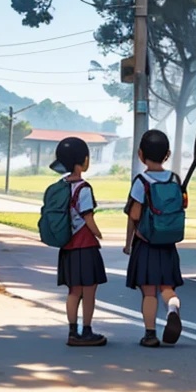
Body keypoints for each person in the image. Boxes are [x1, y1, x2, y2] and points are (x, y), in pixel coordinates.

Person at [124, 129, 184, 347]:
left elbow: (135, 215)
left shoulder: (142, 181)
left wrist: (129, 242)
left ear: (141, 154)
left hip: (147, 242)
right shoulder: (175, 180)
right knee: (167, 288)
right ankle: (173, 308)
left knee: (149, 292)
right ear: (167, 155)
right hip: (168, 244)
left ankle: (150, 335)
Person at [51, 137, 107, 347]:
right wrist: (99, 234)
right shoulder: (83, 187)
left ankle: (72, 331)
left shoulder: (60, 186)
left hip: (67, 245)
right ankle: (87, 330)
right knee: (89, 290)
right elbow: (87, 217)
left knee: (73, 291)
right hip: (85, 245)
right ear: (81, 161)